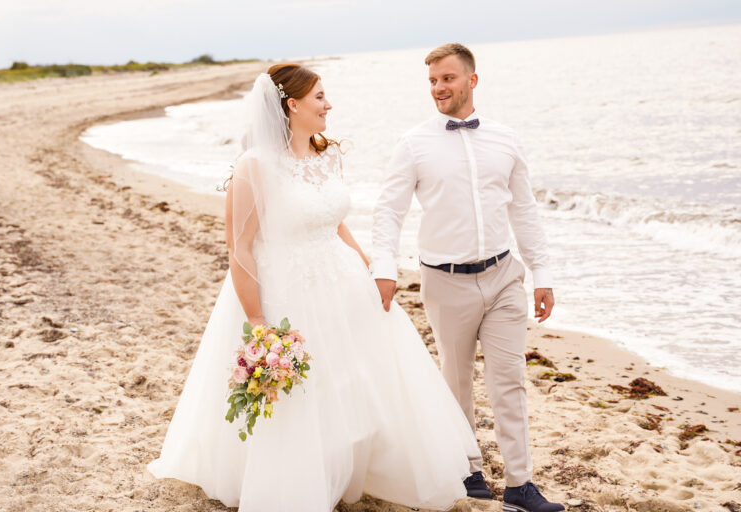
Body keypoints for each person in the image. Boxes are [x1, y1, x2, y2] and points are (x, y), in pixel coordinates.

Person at [146, 63, 481, 512]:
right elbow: (240, 247)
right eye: (320, 97)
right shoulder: (254, 165)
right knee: (302, 393)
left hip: (341, 281)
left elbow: (334, 218)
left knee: (355, 382)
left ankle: (354, 465)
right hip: (286, 287)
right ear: (292, 105)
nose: (328, 105)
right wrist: (257, 320)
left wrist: (365, 262)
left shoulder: (328, 155)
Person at [372, 44, 564, 512]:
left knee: (510, 381)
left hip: (503, 277)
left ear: (472, 81)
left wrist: (543, 273)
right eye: (433, 81)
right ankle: (468, 467)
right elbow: (388, 211)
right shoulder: (413, 143)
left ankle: (521, 485)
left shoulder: (505, 138)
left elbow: (525, 209)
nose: (439, 88)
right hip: (445, 280)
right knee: (454, 381)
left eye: (448, 79)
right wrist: (384, 270)